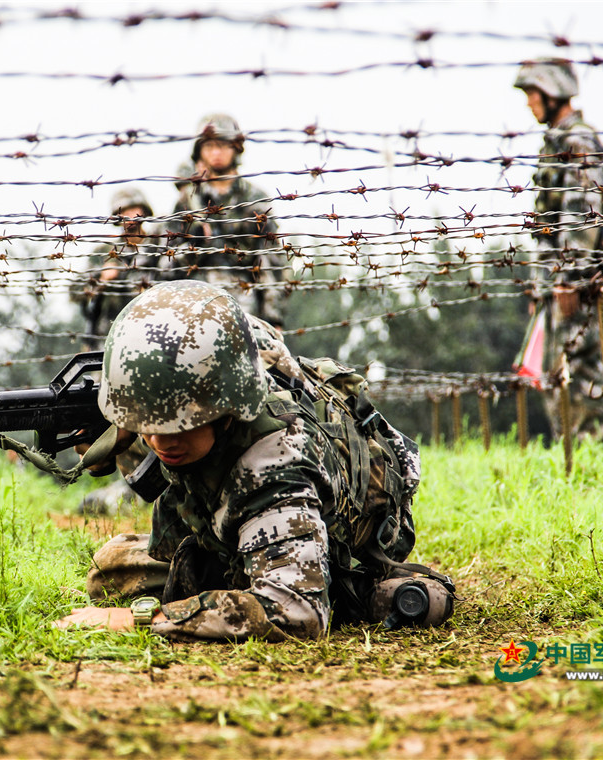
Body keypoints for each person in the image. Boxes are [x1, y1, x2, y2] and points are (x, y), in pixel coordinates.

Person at [55, 281, 454, 640]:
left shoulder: (275, 466)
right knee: (111, 570)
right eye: (146, 422)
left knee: (292, 598)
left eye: (178, 424)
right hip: (232, 534)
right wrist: (121, 429)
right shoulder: (211, 386)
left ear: (227, 408)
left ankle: (352, 592)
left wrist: (139, 620)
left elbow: (297, 613)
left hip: (340, 544)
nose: (159, 439)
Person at [514, 58, 603, 440]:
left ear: (553, 92)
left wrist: (569, 279)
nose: (529, 103)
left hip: (572, 285)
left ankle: (592, 471)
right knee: (558, 383)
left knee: (580, 382)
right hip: (555, 284)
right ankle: (575, 470)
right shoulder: (558, 140)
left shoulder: (577, 141)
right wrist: (543, 286)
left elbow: (581, 215)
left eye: (532, 94)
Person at [163, 114, 286, 327]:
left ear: (236, 149)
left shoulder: (255, 201)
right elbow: (165, 267)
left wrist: (272, 319)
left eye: (223, 145)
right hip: (194, 310)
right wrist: (195, 246)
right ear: (199, 152)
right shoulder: (187, 203)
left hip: (246, 312)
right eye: (209, 146)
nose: (216, 152)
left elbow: (272, 264)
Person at [72, 188, 162, 350]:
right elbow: (75, 290)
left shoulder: (159, 246)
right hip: (111, 338)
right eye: (123, 211)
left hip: (156, 332)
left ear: (144, 211)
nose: (129, 216)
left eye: (134, 209)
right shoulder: (104, 252)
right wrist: (101, 280)